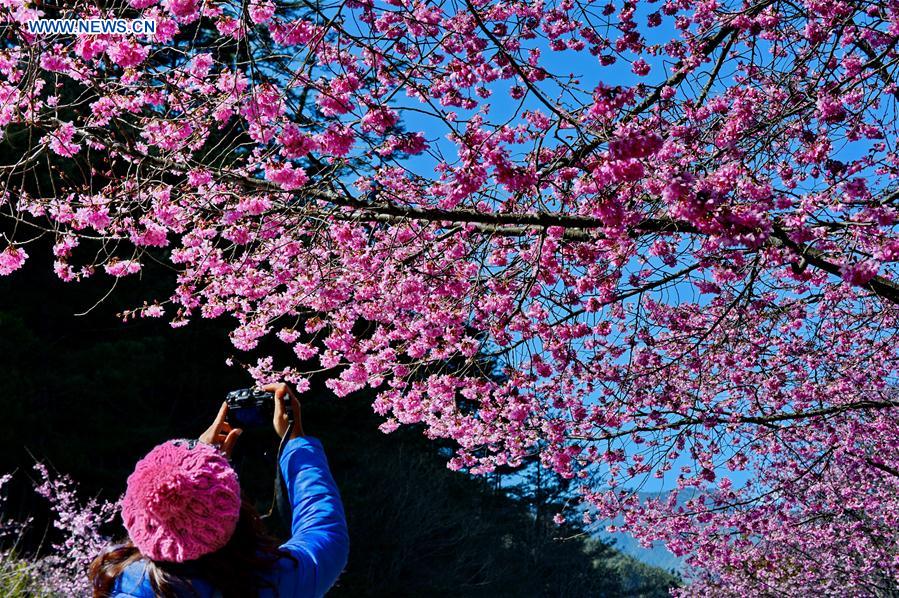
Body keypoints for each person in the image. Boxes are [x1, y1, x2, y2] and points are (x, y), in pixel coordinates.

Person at [89, 383, 349, 597]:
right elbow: (324, 529)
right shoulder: (279, 581)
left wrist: (197, 460)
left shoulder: (122, 585)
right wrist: (296, 444)